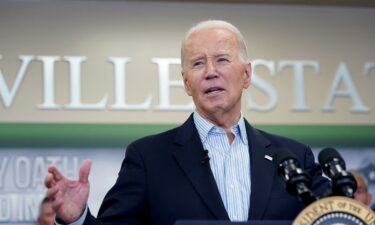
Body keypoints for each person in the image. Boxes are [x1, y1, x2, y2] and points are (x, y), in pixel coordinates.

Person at [45, 20, 330, 225]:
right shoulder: (148, 158)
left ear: (246, 75)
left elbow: (334, 218)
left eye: (221, 59)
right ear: (186, 83)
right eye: (197, 63)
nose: (210, 72)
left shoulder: (294, 157)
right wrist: (77, 220)